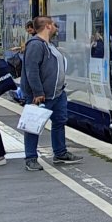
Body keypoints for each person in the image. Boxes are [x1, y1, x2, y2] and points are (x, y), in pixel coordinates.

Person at [21, 16, 75, 169]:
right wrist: (38, 92)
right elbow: (32, 70)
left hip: (57, 93)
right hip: (42, 95)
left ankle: (60, 153)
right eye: (54, 25)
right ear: (48, 27)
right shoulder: (36, 45)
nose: (56, 27)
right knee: (33, 125)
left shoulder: (49, 44)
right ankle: (30, 158)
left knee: (59, 122)